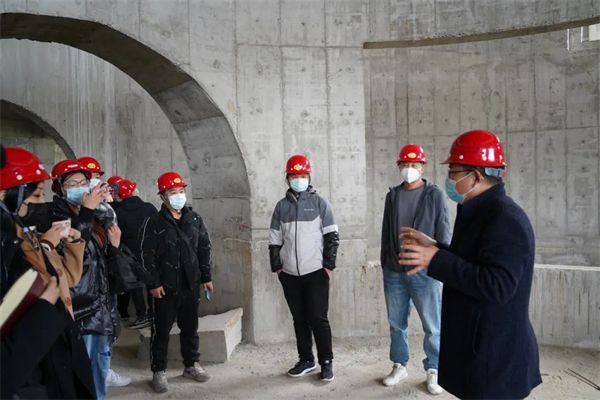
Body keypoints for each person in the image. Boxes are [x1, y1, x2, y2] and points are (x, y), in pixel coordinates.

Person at [398, 130, 542, 399]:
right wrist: (436, 248)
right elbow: (474, 262)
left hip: (496, 353)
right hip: (481, 343)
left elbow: (498, 285)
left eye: (454, 171)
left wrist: (436, 259)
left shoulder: (504, 218)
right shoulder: (479, 209)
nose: (449, 179)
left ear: (475, 176)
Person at [0, 146, 95, 398]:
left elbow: (68, 279)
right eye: (36, 195)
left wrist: (74, 242)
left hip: (60, 333)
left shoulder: (31, 236)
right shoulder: (14, 248)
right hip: (37, 355)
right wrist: (47, 245)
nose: (42, 203)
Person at [50, 159, 130, 399]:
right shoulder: (54, 218)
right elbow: (73, 255)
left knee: (98, 372)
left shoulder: (95, 217)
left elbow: (100, 265)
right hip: (80, 312)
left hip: (100, 310)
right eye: (72, 183)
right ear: (60, 189)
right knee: (82, 379)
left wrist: (114, 247)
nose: (80, 187)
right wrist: (86, 212)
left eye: (83, 182)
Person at [379, 144, 450, 395]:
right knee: (396, 323)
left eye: (414, 164)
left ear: (423, 167)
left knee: (433, 324)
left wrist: (440, 263)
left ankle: (434, 369)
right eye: (405, 164)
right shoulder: (393, 195)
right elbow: (386, 233)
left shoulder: (434, 195)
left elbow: (443, 232)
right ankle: (399, 365)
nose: (410, 169)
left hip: (424, 270)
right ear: (399, 166)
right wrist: (386, 262)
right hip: (394, 271)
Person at [139, 171, 213, 393]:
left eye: (181, 191)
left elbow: (204, 248)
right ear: (163, 196)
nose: (179, 195)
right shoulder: (153, 222)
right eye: (173, 192)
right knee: (161, 331)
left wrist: (206, 277)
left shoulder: (194, 219)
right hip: (164, 288)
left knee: (190, 328)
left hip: (190, 285)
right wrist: (153, 283)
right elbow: (146, 255)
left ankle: (191, 365)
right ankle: (158, 371)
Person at [268, 154, 339, 382]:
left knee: (318, 318)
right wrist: (278, 269)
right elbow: (274, 240)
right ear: (287, 178)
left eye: (302, 175)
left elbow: (332, 237)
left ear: (308, 177)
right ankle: (306, 360)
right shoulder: (281, 207)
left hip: (316, 273)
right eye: (294, 175)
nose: (298, 179)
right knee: (299, 319)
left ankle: (326, 362)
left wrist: (328, 266)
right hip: (290, 275)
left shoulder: (320, 203)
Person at [115, 179, 157, 329]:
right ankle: (154, 314)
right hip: (150, 252)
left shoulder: (119, 213)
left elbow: (117, 235)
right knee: (152, 282)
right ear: (134, 191)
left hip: (130, 255)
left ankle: (142, 315)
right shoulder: (149, 208)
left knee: (135, 285)